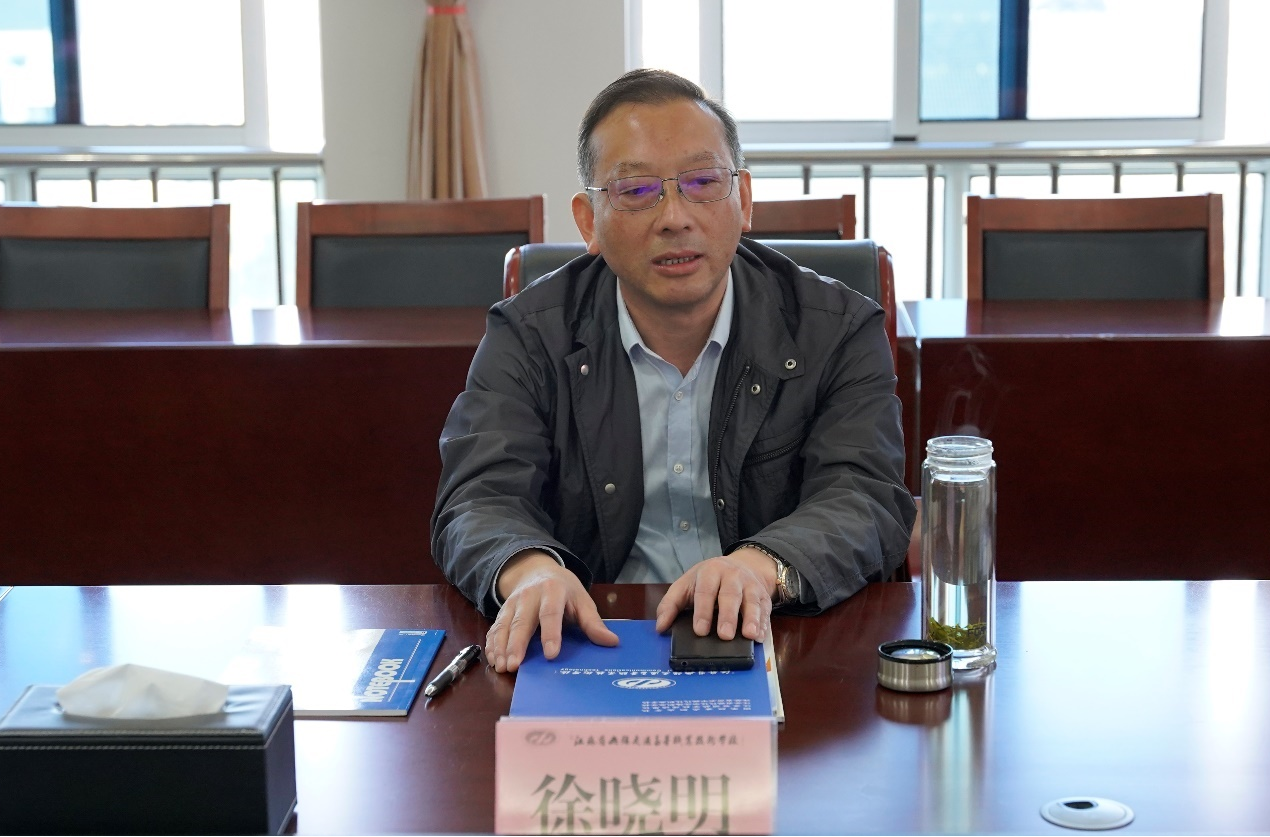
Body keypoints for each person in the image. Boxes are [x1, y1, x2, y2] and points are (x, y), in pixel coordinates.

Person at [432, 69, 915, 673]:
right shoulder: (529, 334)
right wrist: (529, 571)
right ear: (588, 221)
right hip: (588, 641)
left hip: (783, 641)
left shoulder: (836, 328)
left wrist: (759, 568)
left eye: (703, 182)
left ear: (743, 200)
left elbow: (865, 494)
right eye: (636, 190)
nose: (674, 217)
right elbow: (478, 495)